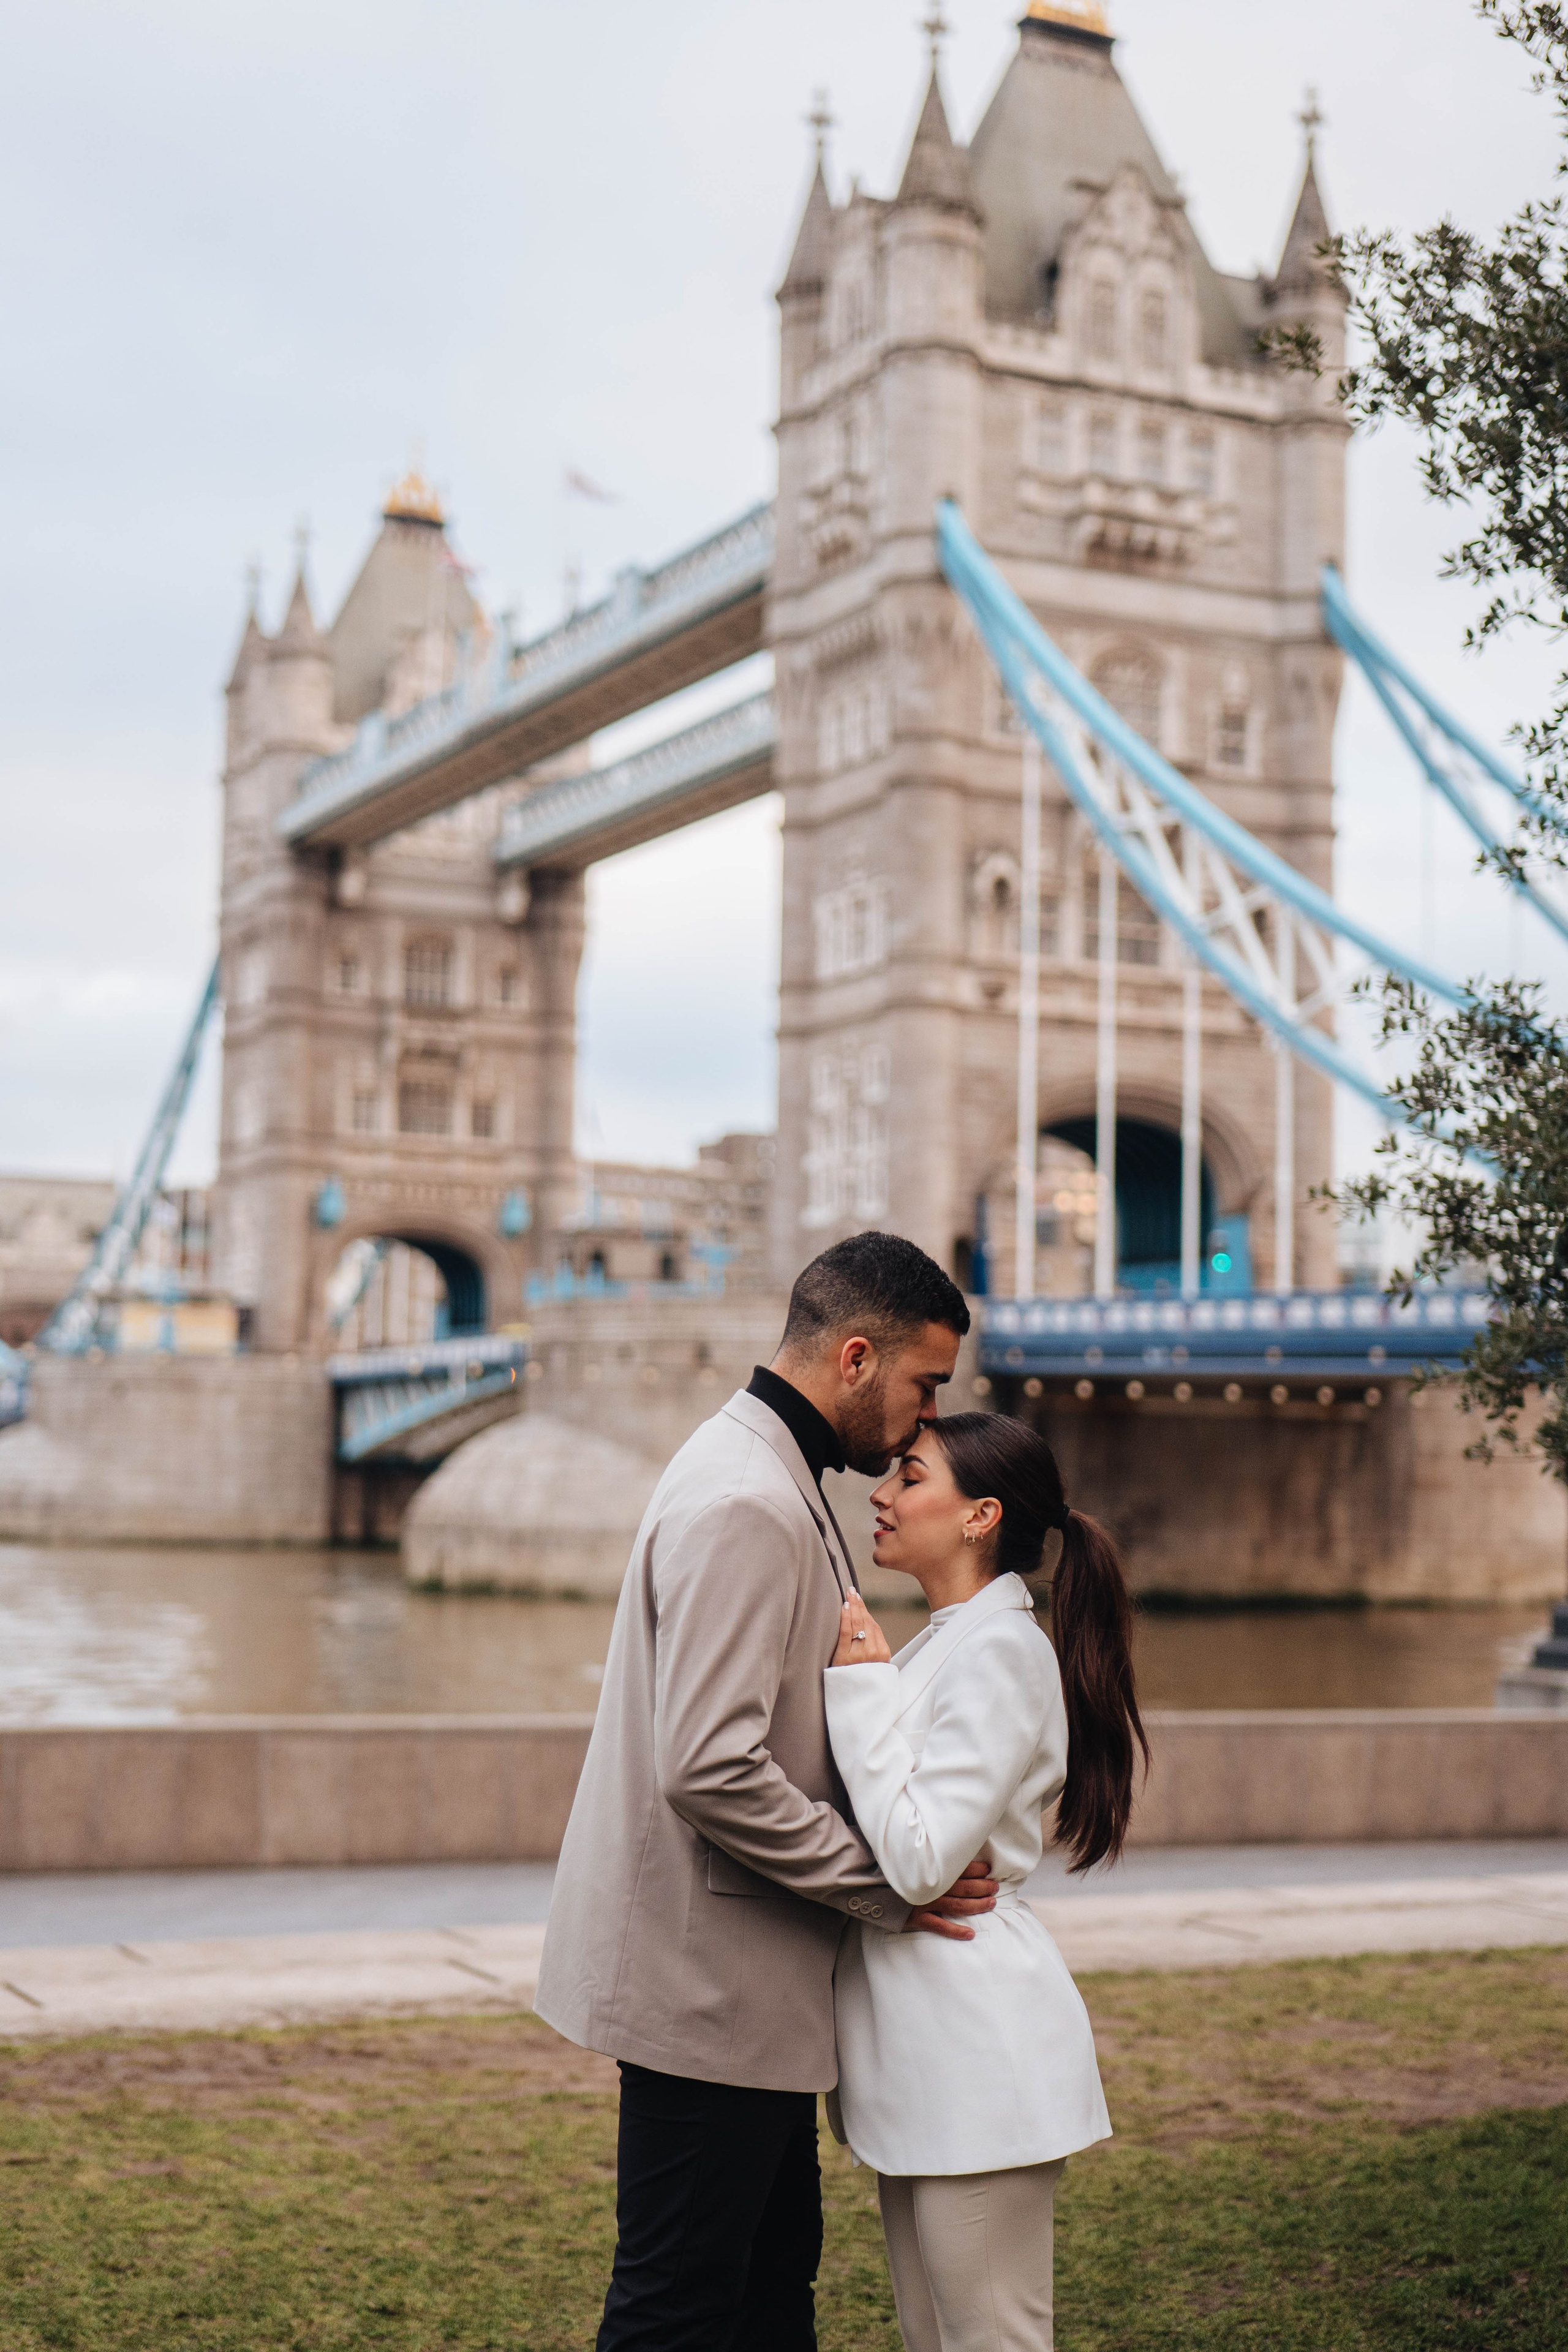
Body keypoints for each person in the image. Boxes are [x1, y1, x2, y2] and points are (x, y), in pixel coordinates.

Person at [535, 1232, 1000, 2352]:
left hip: (739, 1991)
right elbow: (709, 1764)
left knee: (764, 2288)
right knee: (684, 2311)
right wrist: (888, 1886)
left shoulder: (758, 1467)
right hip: (710, 1992)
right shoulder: (750, 1499)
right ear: (853, 1358)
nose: (927, 1421)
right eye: (922, 1384)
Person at [824, 1411, 1147, 2352]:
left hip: (975, 2054)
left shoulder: (1002, 1651)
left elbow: (921, 1858)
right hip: (925, 2057)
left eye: (910, 1478)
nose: (879, 1495)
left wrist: (860, 1691)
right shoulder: (944, 1642)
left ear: (981, 1517)